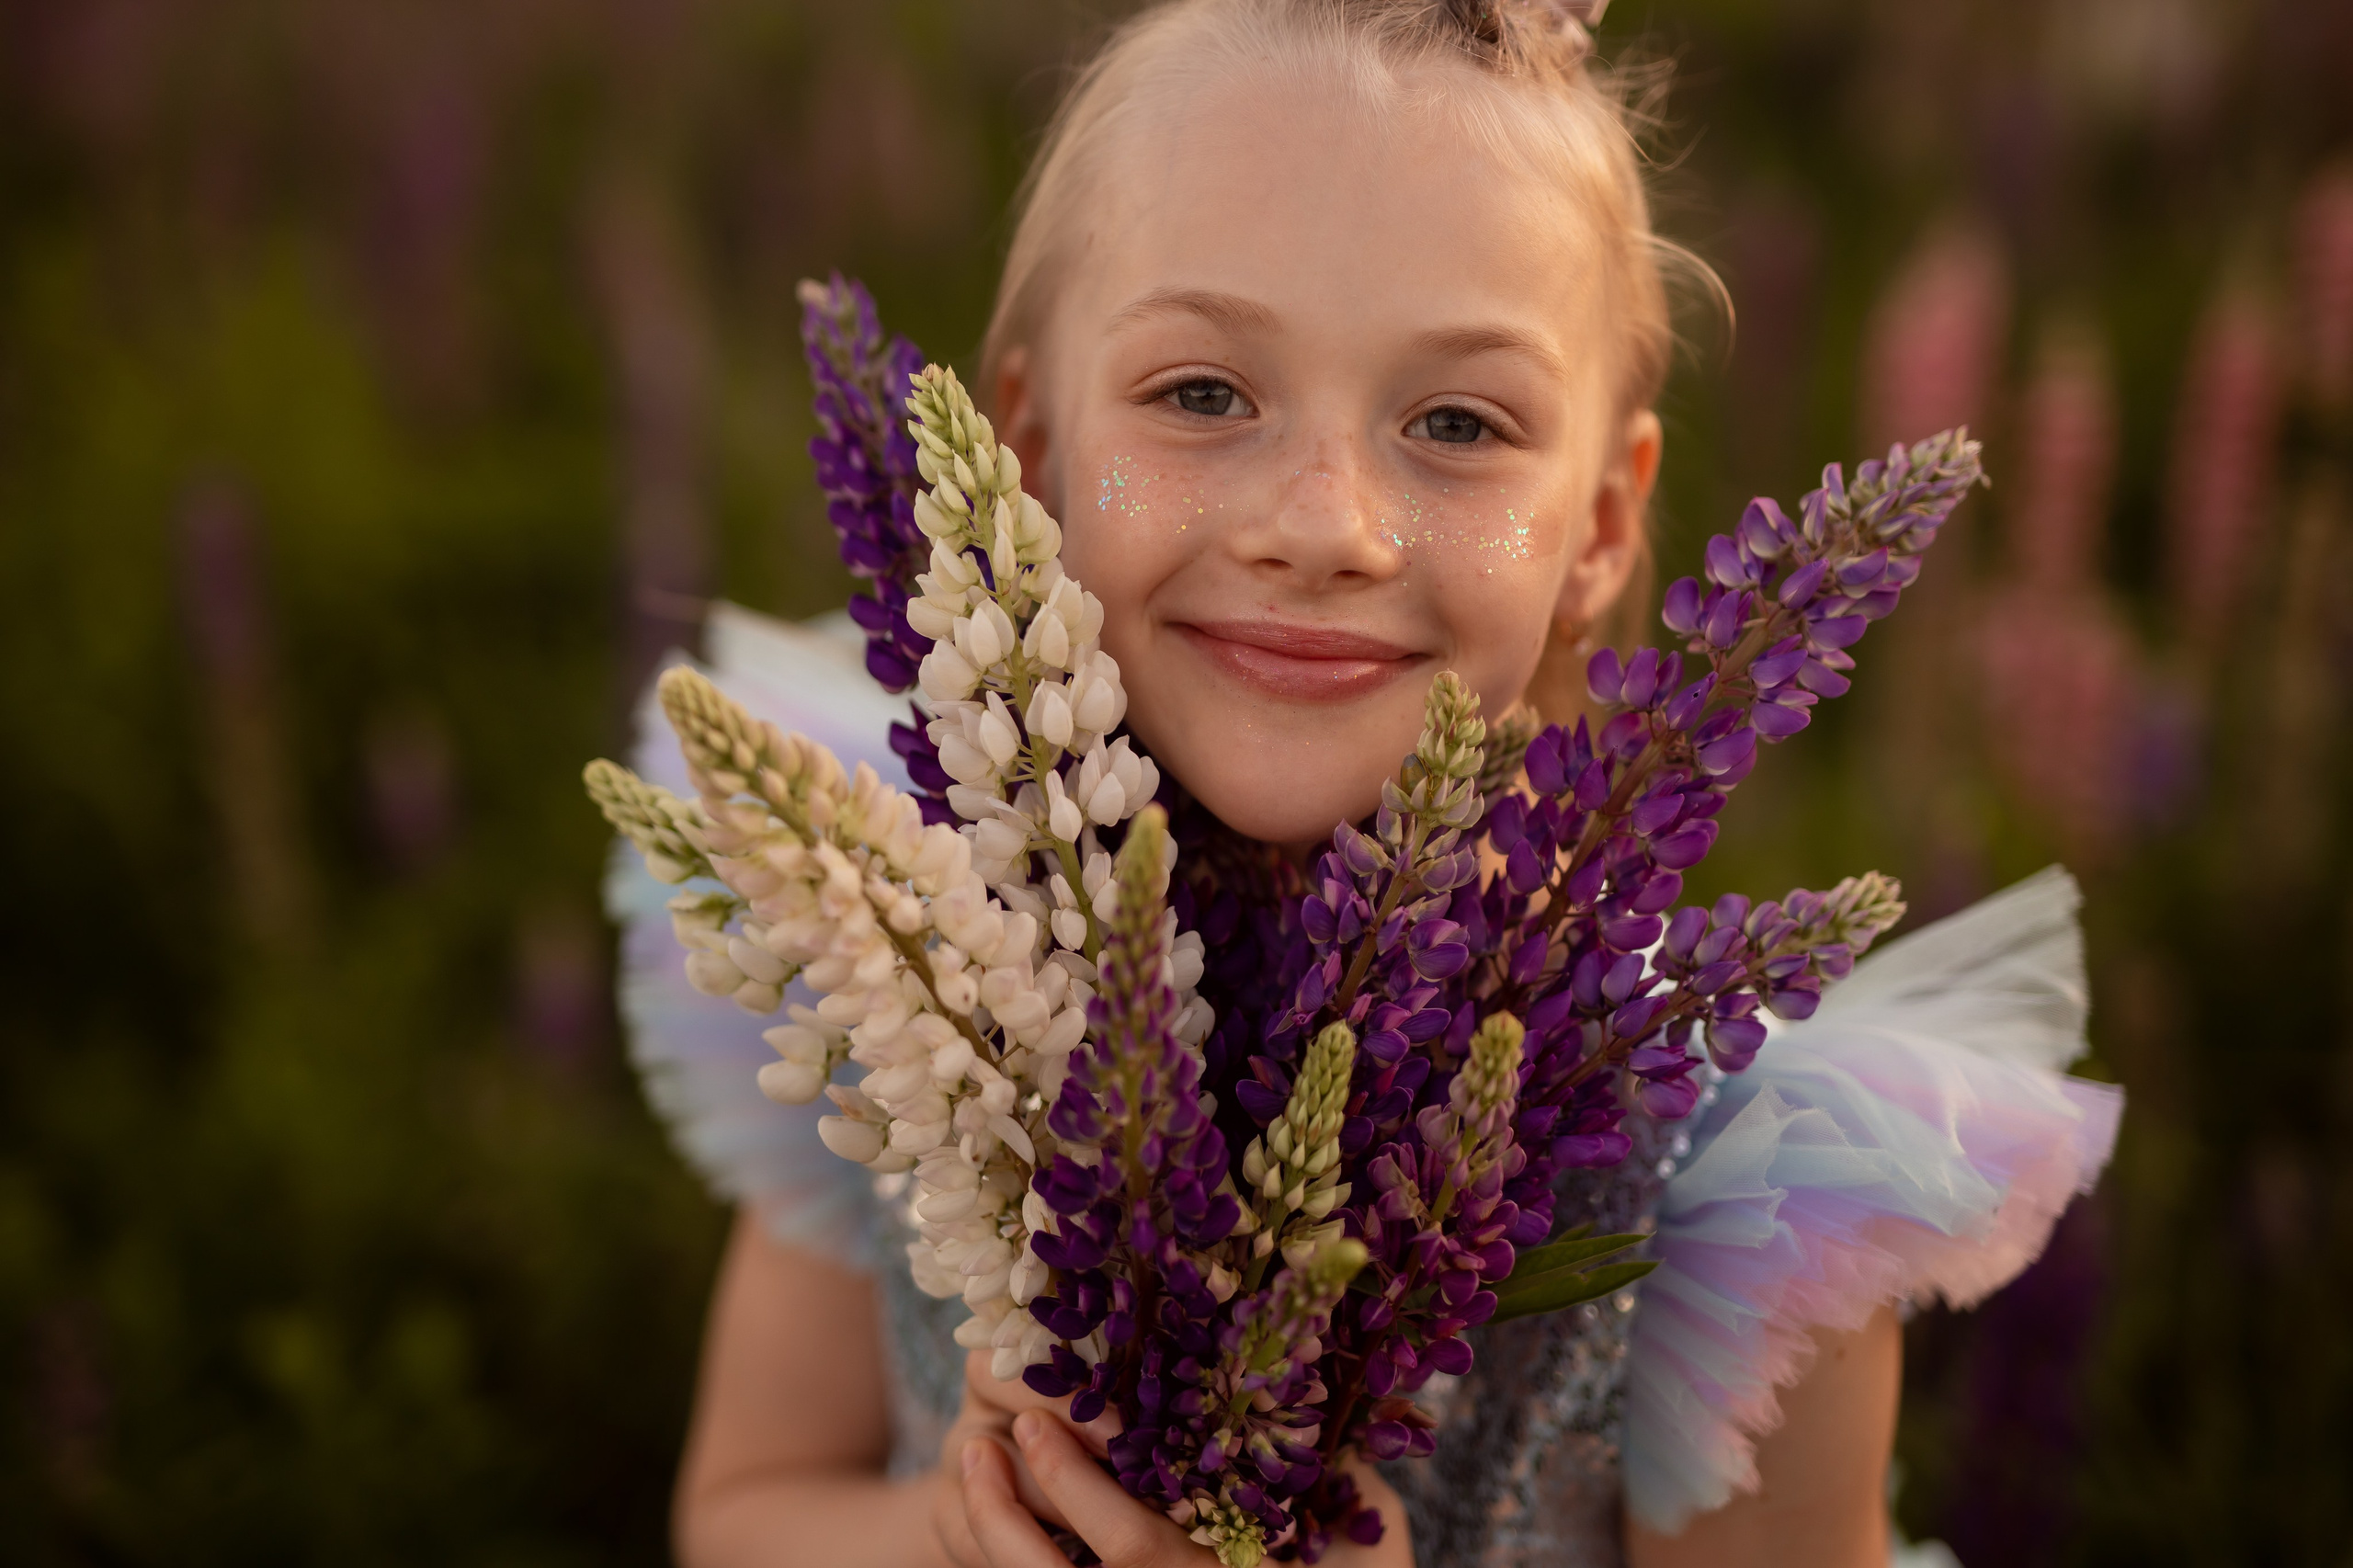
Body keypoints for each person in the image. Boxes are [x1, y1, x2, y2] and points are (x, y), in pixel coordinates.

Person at [604, 3, 2123, 1564]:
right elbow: (740, 1510)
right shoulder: (893, 958)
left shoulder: (1721, 1171)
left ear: (1600, 526)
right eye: (1203, 394)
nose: (1322, 523)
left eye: (1457, 422)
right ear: (1027, 451)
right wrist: (952, 1533)